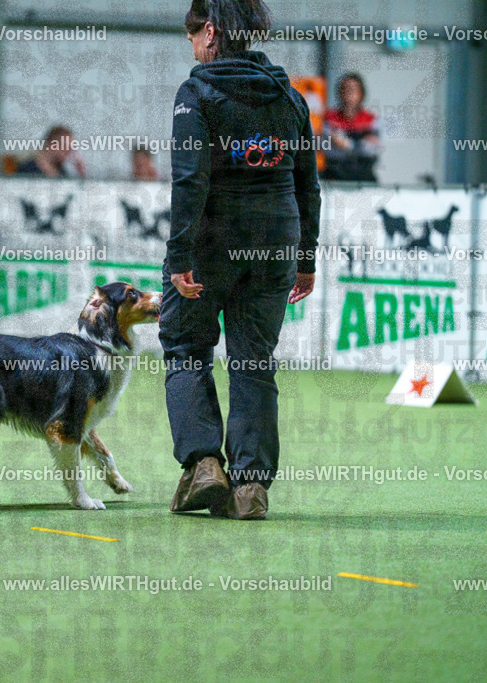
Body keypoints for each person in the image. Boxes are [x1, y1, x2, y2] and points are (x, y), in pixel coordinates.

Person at [161, 0, 320, 520]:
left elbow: (190, 180)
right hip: (275, 244)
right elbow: (307, 185)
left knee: (186, 348)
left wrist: (178, 256)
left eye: (192, 37)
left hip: (212, 244)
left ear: (209, 32)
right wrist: (306, 258)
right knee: (253, 362)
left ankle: (204, 465)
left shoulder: (197, 94)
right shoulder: (290, 97)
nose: (193, 48)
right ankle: (251, 487)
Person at [322, 73, 380, 182]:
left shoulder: (371, 120)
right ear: (339, 93)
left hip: (363, 179)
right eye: (344, 90)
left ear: (361, 94)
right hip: (335, 178)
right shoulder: (329, 118)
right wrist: (358, 145)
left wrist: (347, 144)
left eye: (352, 90)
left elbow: (371, 150)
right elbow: (329, 150)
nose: (348, 95)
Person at [15, 125, 87, 178]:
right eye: (65, 147)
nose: (69, 152)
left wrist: (81, 174)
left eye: (71, 148)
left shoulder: (61, 170)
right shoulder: (27, 170)